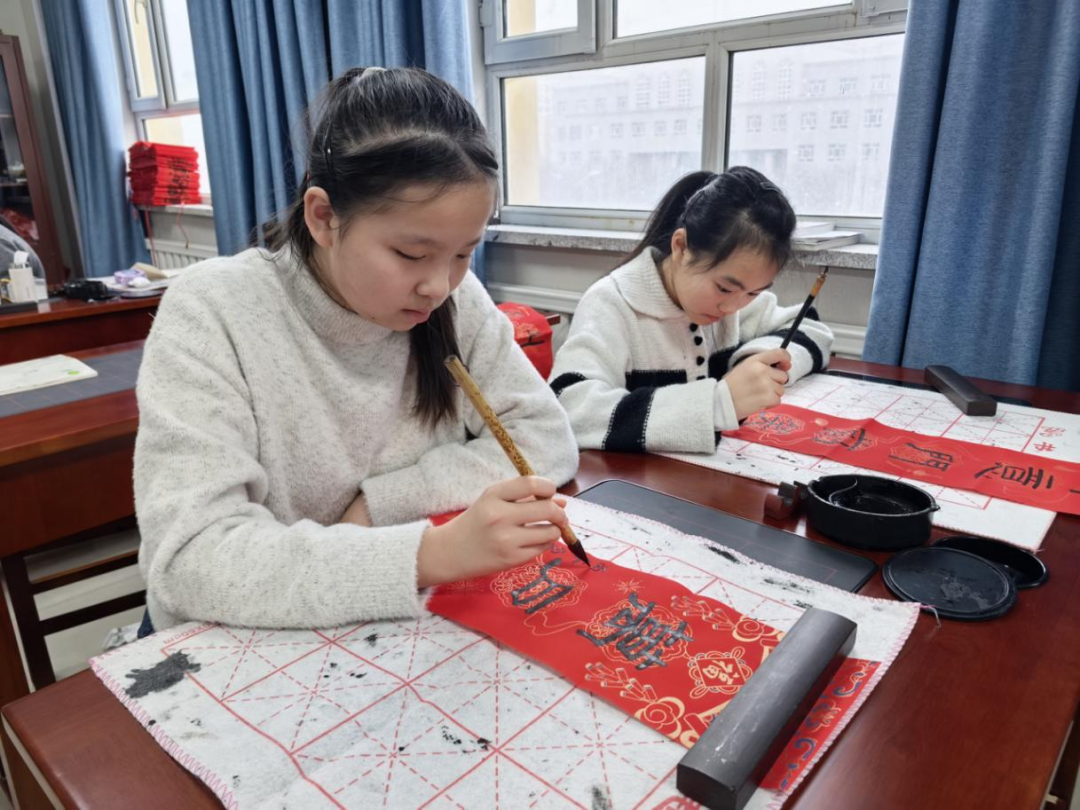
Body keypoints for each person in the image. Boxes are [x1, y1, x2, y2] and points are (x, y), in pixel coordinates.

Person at [134, 67, 578, 635]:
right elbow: (192, 559)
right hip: (237, 637)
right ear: (323, 217)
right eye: (411, 254)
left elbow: (544, 437)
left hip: (370, 628)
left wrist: (380, 505)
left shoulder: (455, 299)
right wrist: (431, 553)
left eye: (463, 253)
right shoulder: (215, 309)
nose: (438, 286)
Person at [549, 166, 833, 453]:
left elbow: (811, 328)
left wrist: (754, 363)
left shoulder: (732, 302)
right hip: (627, 477)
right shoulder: (613, 304)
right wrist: (715, 404)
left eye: (754, 292)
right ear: (681, 247)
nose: (731, 307)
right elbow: (570, 410)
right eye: (724, 288)